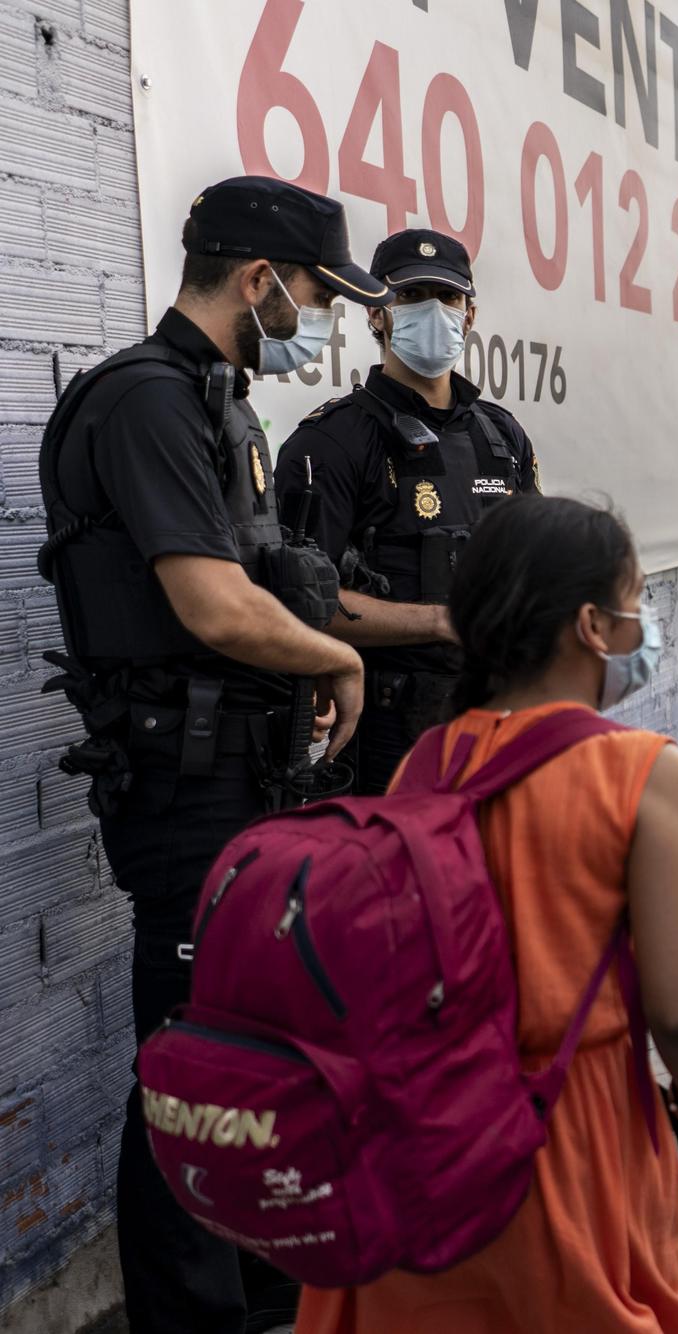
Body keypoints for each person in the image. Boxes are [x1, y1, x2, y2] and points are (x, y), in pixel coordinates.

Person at [35, 175, 387, 1334]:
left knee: (256, 1051)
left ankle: (265, 1290)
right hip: (185, 789)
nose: (321, 321)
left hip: (245, 772)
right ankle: (192, 1320)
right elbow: (213, 603)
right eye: (316, 298)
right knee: (190, 1071)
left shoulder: (213, 400)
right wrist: (338, 661)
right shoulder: (144, 401)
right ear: (259, 282)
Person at [296, 495, 678, 1334]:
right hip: (567, 1125)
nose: (644, 625)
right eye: (636, 603)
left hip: (427, 1129)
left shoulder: (427, 759)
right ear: (590, 626)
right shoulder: (641, 770)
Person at [276, 229, 540, 795]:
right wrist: (442, 622)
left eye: (446, 298)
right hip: (389, 734)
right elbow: (298, 606)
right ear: (377, 315)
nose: (432, 312)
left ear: (470, 314)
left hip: (500, 714)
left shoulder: (502, 435)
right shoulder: (330, 444)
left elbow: (537, 570)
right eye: (411, 296)